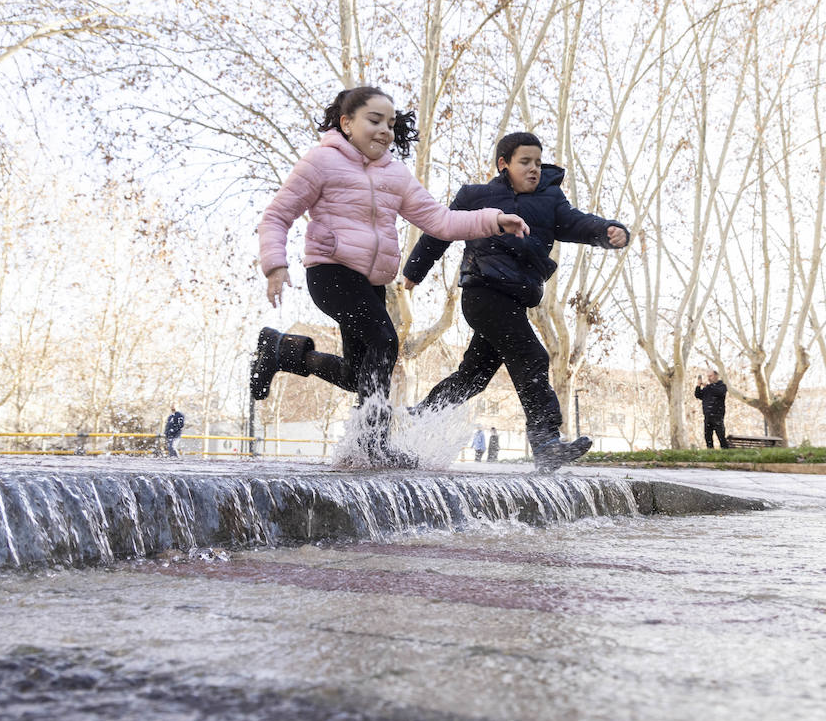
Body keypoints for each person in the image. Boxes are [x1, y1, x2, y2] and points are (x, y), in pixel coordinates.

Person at [249, 86, 530, 468]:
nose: (385, 131)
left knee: (356, 374)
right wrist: (275, 265)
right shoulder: (321, 162)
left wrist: (493, 220)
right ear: (347, 123)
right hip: (330, 271)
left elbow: (441, 220)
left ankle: (282, 351)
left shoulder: (394, 175)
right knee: (384, 340)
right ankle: (372, 445)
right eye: (375, 120)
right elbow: (277, 215)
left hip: (371, 284)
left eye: (392, 124)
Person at [402, 132, 629, 472]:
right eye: (525, 162)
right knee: (532, 356)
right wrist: (415, 271)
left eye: (538, 162)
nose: (534, 168)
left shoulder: (550, 200)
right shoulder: (477, 196)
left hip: (514, 301)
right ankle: (545, 440)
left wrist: (608, 230)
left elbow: (579, 224)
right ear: (503, 164)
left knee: (474, 377)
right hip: (483, 292)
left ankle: (418, 417)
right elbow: (440, 230)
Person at [694, 370, 728, 449]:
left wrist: (709, 386)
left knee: (721, 436)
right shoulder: (708, 388)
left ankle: (725, 451)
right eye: (708, 376)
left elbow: (719, 393)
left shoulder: (722, 386)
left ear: (716, 376)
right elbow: (698, 395)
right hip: (707, 416)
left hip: (717, 415)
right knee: (708, 436)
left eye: (710, 376)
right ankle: (710, 452)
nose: (709, 378)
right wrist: (698, 386)